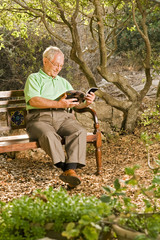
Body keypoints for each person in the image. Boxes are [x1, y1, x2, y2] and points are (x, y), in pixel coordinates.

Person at [24, 46, 95, 188]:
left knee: (79, 131)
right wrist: (58, 103)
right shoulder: (34, 78)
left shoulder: (64, 83)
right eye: (56, 64)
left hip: (63, 118)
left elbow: (74, 105)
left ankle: (70, 169)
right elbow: (34, 101)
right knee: (49, 135)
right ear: (45, 61)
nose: (58, 68)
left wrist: (86, 102)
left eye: (61, 65)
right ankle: (67, 169)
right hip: (39, 119)